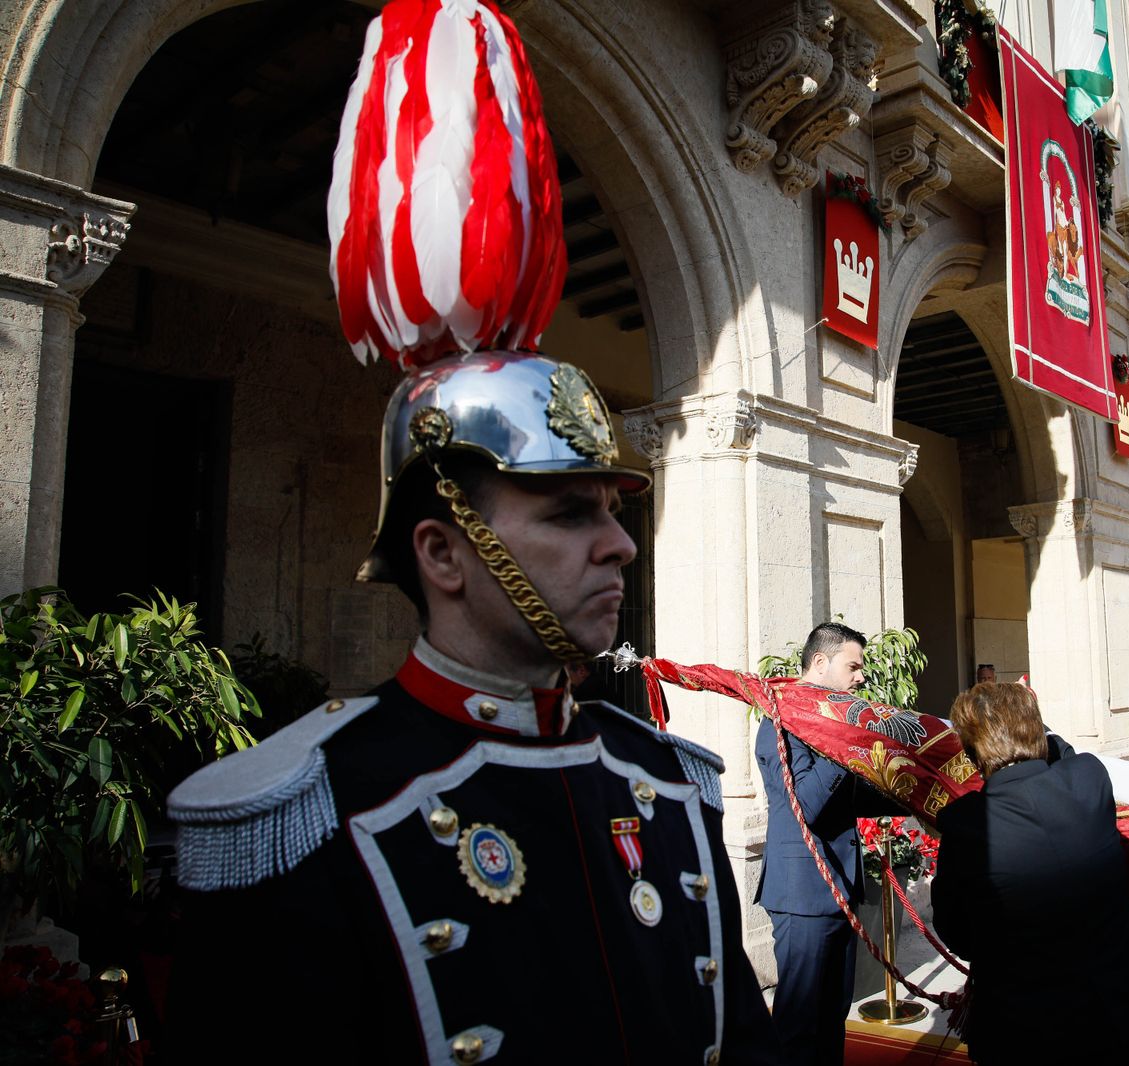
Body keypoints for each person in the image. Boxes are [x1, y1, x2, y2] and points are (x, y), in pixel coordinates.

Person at [164, 354, 777, 1063]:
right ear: (443, 553)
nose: (622, 545)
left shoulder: (668, 783)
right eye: (571, 514)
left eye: (612, 511)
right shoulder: (309, 812)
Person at [932, 683, 1129, 1063]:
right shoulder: (1089, 778)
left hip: (1027, 1020)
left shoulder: (966, 823)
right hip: (1123, 999)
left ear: (973, 751)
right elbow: (1064, 753)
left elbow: (956, 931)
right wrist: (1035, 736)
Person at [756, 621, 880, 1066]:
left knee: (831, 1017)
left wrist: (915, 798)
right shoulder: (781, 718)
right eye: (853, 666)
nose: (860, 677)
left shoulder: (828, 720)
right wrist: (845, 743)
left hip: (839, 888)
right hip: (803, 892)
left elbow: (849, 795)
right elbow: (804, 802)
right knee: (799, 1024)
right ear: (820, 662)